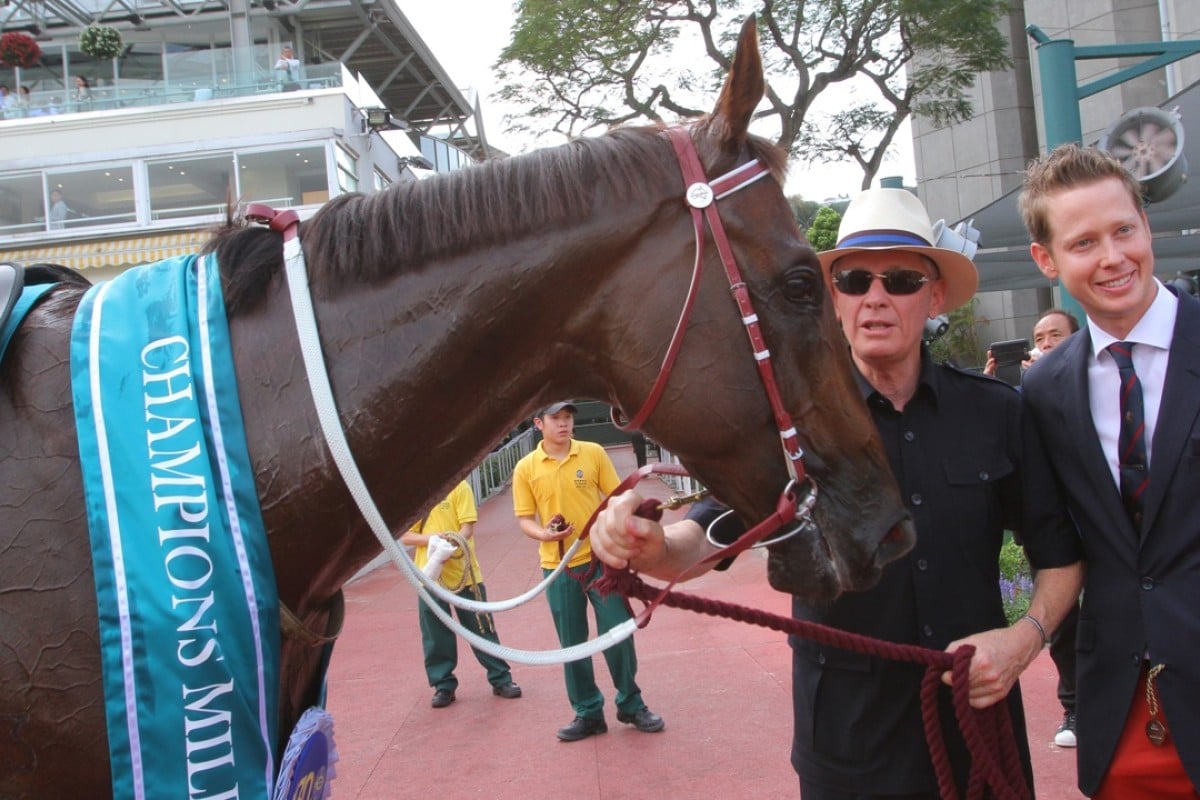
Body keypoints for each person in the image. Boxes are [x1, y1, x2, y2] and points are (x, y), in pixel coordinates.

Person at [591, 188, 1039, 798]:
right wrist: (649, 545)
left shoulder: (998, 413)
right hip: (846, 747)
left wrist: (1022, 639)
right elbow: (706, 535)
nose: (875, 298)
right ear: (833, 299)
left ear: (934, 296)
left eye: (902, 280)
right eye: (855, 280)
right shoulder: (789, 427)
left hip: (978, 738)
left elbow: (1062, 554)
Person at [1006, 143, 1200, 797]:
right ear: (1048, 260)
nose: (1114, 257)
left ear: (1146, 226)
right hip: (1120, 708)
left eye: (1124, 230)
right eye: (1085, 242)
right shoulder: (1045, 389)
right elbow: (1057, 540)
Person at [512, 401, 664, 742]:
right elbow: (524, 519)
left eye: (568, 418)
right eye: (556, 419)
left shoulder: (592, 452)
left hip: (600, 561)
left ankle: (631, 703)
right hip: (558, 566)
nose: (564, 424)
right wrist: (546, 534)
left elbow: (618, 496)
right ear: (539, 423)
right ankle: (588, 712)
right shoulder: (526, 467)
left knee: (618, 630)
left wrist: (627, 521)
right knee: (572, 643)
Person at [983, 307, 1084, 748]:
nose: (1045, 345)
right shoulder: (1025, 391)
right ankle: (1075, 708)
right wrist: (1005, 384)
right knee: (1064, 623)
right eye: (1039, 338)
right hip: (1048, 527)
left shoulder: (1091, 382)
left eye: (1055, 336)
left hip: (1101, 528)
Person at [401, 480, 521, 709]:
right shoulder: (417, 492)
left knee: (481, 627)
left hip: (465, 576)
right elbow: (406, 536)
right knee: (435, 633)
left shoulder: (459, 486)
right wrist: (432, 540)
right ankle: (443, 685)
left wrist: (451, 542)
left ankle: (500, 678)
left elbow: (467, 527)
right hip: (430, 578)